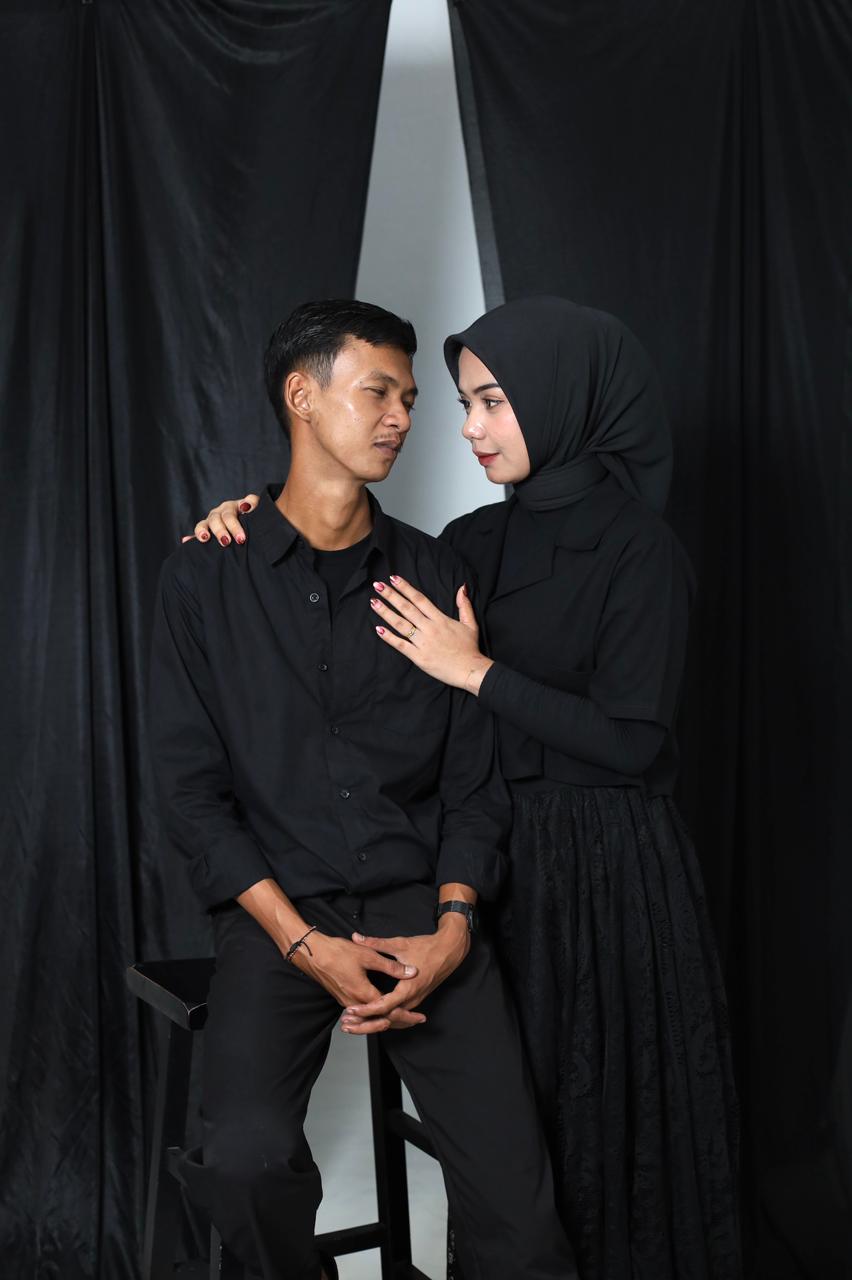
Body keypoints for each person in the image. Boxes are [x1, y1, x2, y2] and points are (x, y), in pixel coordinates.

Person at [192, 296, 741, 1280]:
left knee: (570, 1146)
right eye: (459, 402)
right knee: (271, 1154)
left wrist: (475, 678)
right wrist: (248, 523)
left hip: (571, 870)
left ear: (558, 399)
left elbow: (609, 744)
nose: (451, 426)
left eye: (488, 401)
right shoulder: (464, 544)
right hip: (445, 869)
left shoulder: (616, 552)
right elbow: (204, 776)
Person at [149, 299, 579, 1280]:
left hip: (426, 916)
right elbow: (191, 796)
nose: (402, 417)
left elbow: (474, 783)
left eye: (411, 399)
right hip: (277, 913)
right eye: (378, 391)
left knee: (524, 1222)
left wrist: (455, 927)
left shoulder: (435, 570)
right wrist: (303, 942)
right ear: (302, 397)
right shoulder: (205, 579)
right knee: (243, 1162)